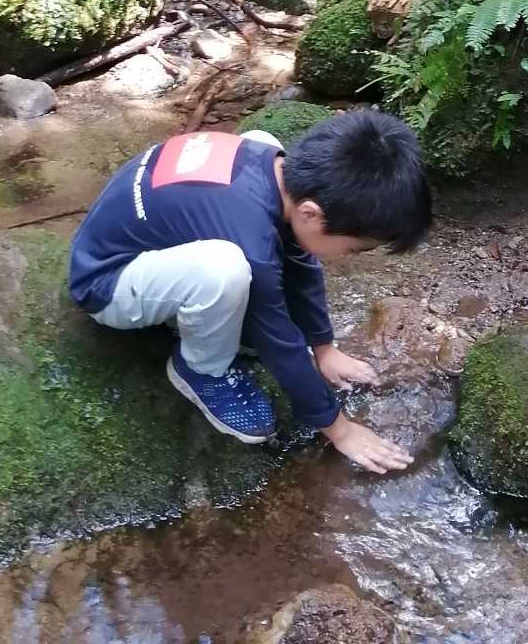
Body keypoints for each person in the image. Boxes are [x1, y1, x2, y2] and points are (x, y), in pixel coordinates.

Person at [69, 108, 433, 474]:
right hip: (105, 280)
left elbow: (299, 256)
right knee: (224, 271)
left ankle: (203, 318)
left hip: (147, 239)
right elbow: (279, 341)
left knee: (261, 138)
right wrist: (339, 429)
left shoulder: (274, 168)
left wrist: (323, 347)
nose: (347, 257)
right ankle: (201, 370)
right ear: (310, 214)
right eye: (352, 249)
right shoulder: (251, 242)